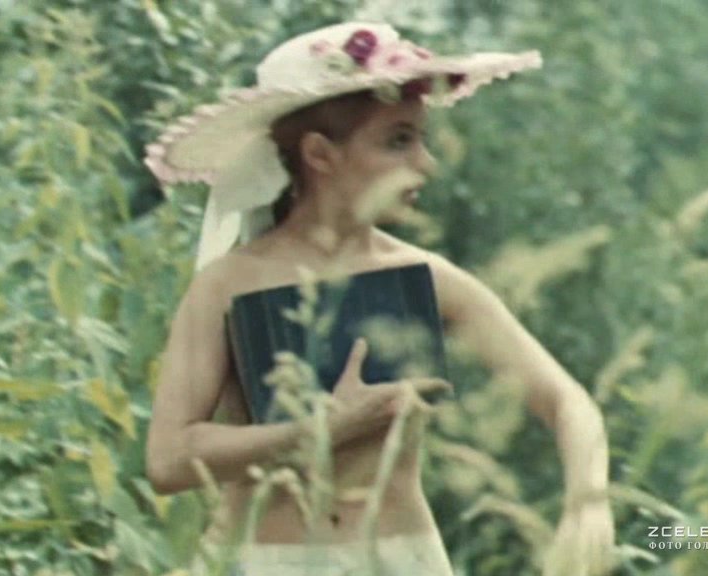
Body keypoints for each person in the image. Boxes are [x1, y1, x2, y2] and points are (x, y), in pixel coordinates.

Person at [144, 22, 615, 576]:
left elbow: (565, 399)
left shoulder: (425, 278)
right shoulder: (228, 285)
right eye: (398, 140)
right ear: (320, 154)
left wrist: (587, 501)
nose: (426, 163)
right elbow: (168, 460)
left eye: (421, 138)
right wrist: (316, 432)